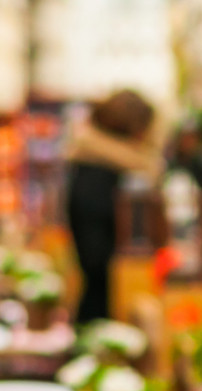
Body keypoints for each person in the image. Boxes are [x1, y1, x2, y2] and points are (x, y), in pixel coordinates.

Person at [65, 90, 160, 324]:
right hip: (105, 311)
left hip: (106, 303)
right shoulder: (99, 171)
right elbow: (95, 255)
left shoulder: (104, 166)